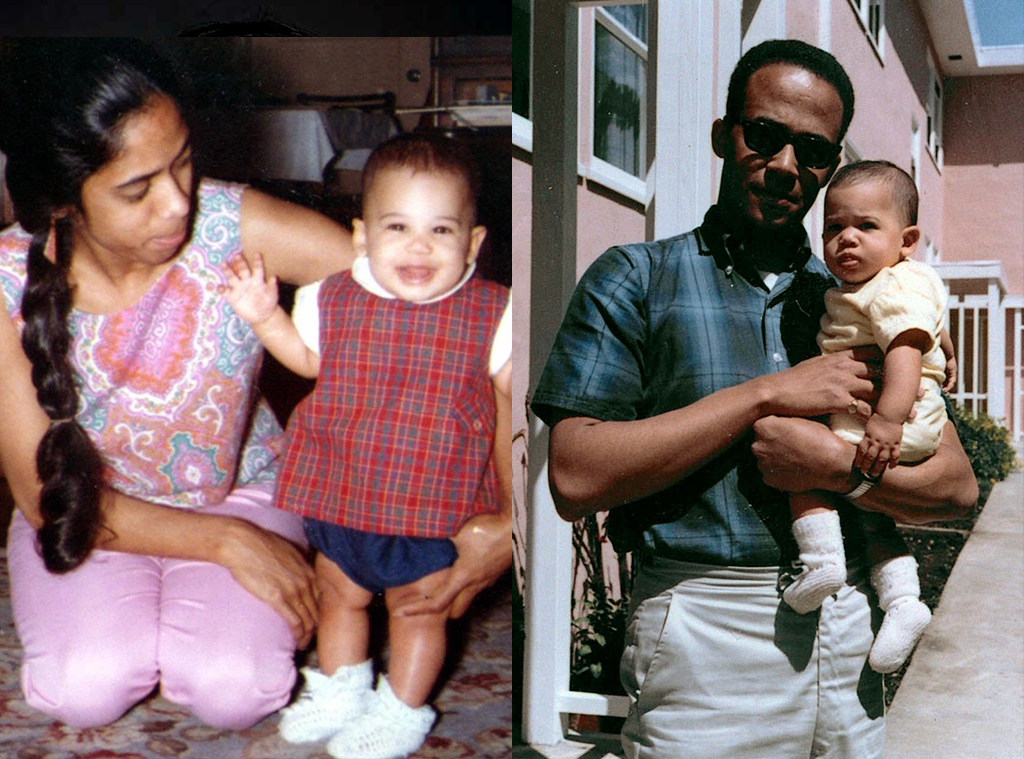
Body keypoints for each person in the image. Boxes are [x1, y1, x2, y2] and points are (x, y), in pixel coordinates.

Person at [0, 38, 509, 732]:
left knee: (236, 689)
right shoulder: (4, 282)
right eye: (137, 187)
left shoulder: (230, 223)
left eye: (183, 161)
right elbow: (41, 495)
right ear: (63, 199)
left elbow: (432, 300)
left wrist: (508, 515)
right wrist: (226, 542)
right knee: (83, 688)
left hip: (241, 489)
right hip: (83, 514)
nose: (179, 202)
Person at [530, 39, 977, 759]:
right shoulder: (637, 279)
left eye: (813, 150)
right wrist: (766, 395)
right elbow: (575, 477)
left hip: (848, 631)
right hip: (705, 636)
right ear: (723, 134)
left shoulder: (859, 303)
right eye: (764, 136)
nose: (786, 166)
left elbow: (955, 486)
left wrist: (834, 468)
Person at [223, 132, 512, 759]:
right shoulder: (331, 297)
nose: (417, 246)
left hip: (435, 503)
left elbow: (509, 414)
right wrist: (263, 315)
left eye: (441, 230)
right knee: (339, 593)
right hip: (342, 488)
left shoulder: (494, 313)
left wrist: (506, 511)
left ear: (474, 242)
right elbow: (304, 361)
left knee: (418, 610)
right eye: (397, 226)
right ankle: (340, 688)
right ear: (360, 236)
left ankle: (403, 707)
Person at [784, 160, 956, 675]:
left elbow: (904, 353)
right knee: (873, 515)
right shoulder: (912, 281)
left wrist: (884, 423)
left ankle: (821, 562)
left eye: (865, 226)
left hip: (888, 414)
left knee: (795, 454)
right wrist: (946, 351)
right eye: (834, 227)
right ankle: (904, 602)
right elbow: (931, 333)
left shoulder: (886, 288)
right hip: (909, 413)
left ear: (907, 240)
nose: (846, 240)